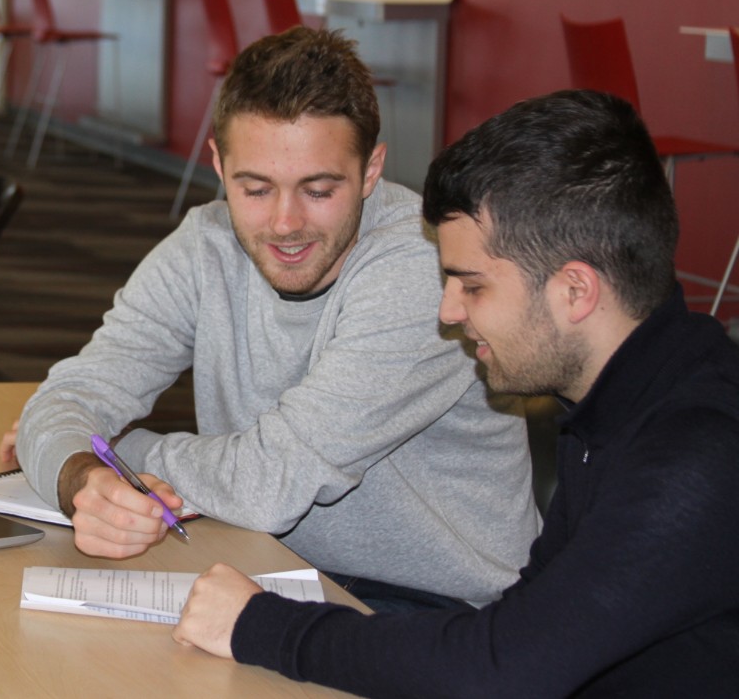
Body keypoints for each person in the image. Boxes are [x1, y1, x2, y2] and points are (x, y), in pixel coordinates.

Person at [173, 90, 739, 696]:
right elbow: (521, 629)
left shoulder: (696, 454)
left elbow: (501, 669)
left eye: (472, 286)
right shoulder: (620, 403)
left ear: (575, 291)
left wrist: (260, 625)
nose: (448, 312)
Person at [6, 27, 539, 610]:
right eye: (255, 189)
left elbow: (267, 484)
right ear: (218, 166)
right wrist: (84, 479)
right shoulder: (205, 244)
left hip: (438, 608)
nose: (285, 224)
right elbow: (69, 397)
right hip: (272, 566)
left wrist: (124, 451)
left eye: (318, 190)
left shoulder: (423, 266)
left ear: (370, 171)